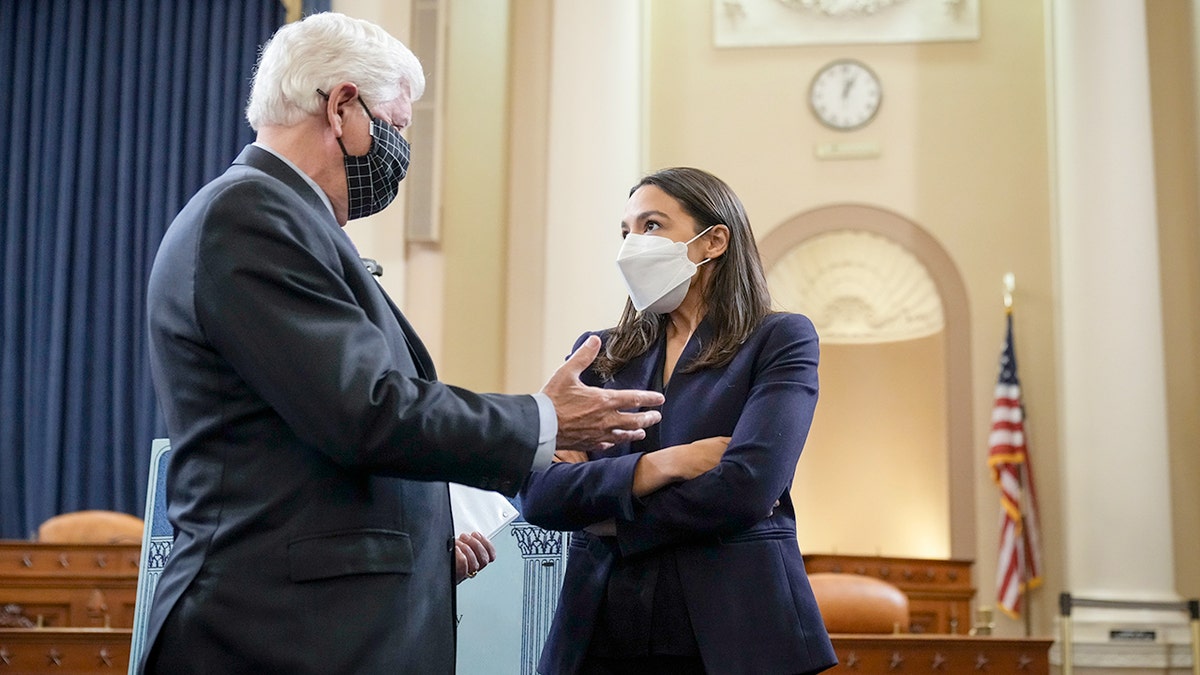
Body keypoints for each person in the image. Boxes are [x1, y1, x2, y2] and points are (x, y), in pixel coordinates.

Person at [141, 12, 663, 675]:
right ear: (341, 107)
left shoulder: (277, 217)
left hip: (313, 620)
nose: (401, 151)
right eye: (397, 126)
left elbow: (305, 446)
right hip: (272, 633)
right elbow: (365, 411)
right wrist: (542, 417)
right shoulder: (251, 216)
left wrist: (421, 544)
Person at [520, 167, 837, 675]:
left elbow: (748, 488)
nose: (631, 245)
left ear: (712, 241)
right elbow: (539, 494)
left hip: (735, 628)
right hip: (601, 626)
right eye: (625, 231)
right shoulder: (597, 354)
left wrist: (608, 517)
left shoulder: (780, 339)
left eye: (650, 226)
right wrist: (670, 464)